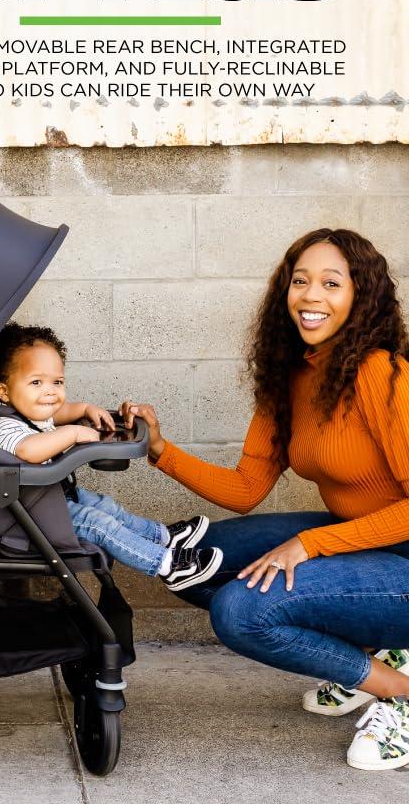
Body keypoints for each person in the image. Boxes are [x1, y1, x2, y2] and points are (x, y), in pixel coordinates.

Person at [122, 228, 409, 772]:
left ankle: (401, 692)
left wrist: (310, 544)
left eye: (331, 283)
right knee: (189, 562)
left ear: (362, 295)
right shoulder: (291, 375)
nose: (311, 296)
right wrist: (159, 449)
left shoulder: (380, 373)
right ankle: (371, 664)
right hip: (365, 545)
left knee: (241, 610)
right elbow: (246, 489)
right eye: (300, 281)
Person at [0, 322, 223, 591]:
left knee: (107, 506)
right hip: (29, 519)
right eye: (37, 382)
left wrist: (84, 409)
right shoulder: (1, 424)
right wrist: (72, 433)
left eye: (57, 382)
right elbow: (28, 449)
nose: (50, 392)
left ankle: (163, 536)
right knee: (100, 525)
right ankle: (168, 565)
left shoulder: (19, 407)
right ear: (3, 391)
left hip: (48, 499)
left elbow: (54, 414)